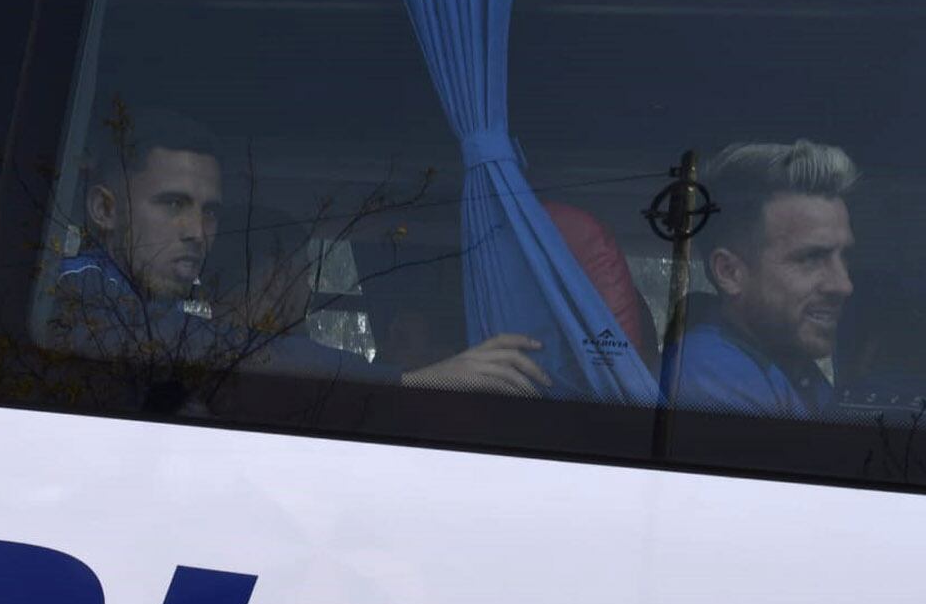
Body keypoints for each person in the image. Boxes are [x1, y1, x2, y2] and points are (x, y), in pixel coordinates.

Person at [47, 108, 551, 412]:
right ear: (103, 209)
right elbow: (209, 350)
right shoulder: (75, 292)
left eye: (209, 212)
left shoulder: (141, 311)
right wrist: (410, 381)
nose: (197, 232)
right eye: (173, 204)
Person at [661, 139, 858, 418]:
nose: (843, 285)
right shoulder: (713, 373)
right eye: (811, 258)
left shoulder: (786, 359)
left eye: (844, 257)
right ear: (729, 273)